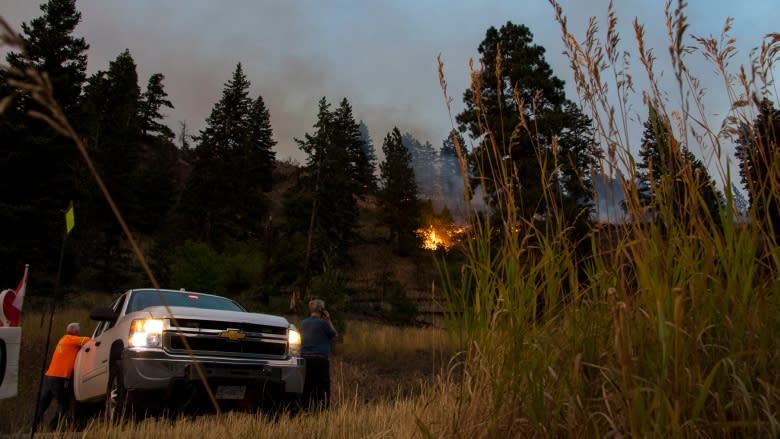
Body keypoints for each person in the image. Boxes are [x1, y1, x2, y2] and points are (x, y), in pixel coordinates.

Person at [33, 322, 90, 431]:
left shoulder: (63, 339)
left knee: (43, 404)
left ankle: (34, 428)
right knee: (63, 405)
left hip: (49, 376)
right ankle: (52, 428)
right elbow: (87, 340)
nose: (80, 333)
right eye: (79, 332)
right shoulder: (71, 339)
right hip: (60, 377)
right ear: (76, 332)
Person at [300, 298, 337, 409]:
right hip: (320, 360)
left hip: (306, 359)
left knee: (307, 387)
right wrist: (329, 320)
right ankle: (321, 411)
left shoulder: (303, 323)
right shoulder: (323, 323)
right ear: (321, 310)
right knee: (322, 387)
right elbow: (335, 336)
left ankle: (305, 410)